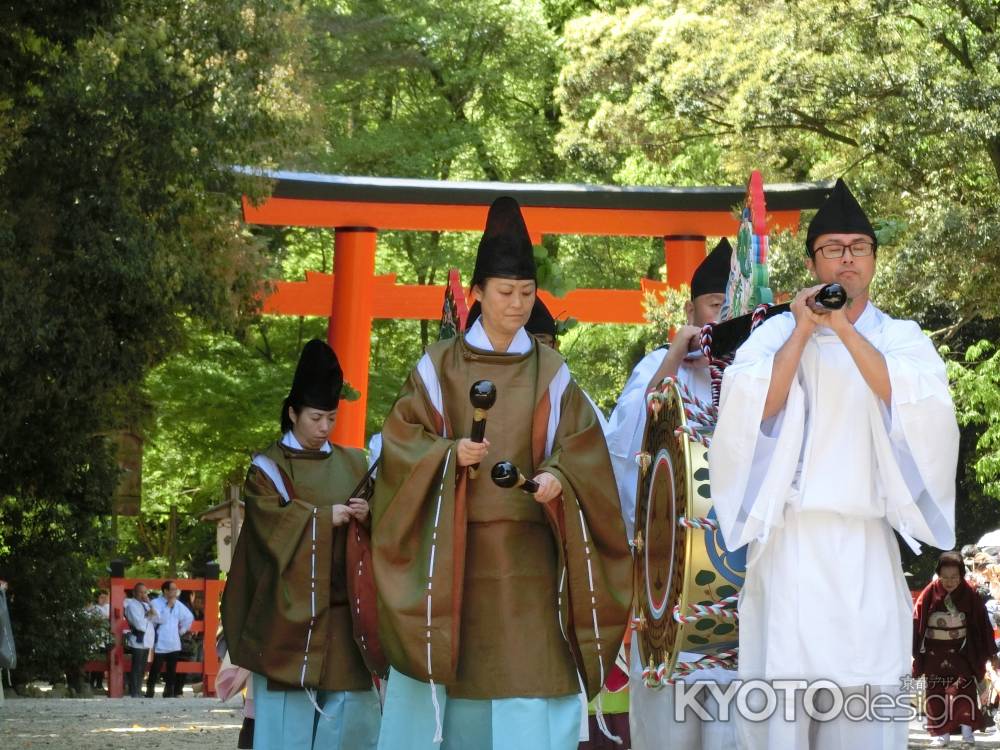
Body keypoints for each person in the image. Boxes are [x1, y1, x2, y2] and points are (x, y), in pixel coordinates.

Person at [372, 196, 632, 750]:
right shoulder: (437, 365)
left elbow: (585, 445)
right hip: (452, 557)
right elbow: (400, 445)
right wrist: (447, 455)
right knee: (449, 681)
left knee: (531, 685)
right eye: (505, 293)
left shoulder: (552, 370)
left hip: (530, 561)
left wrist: (562, 473)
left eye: (527, 293)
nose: (518, 305)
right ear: (476, 295)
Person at [709, 178, 959, 748]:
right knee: (783, 711)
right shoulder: (775, 331)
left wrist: (842, 328)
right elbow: (753, 411)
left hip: (864, 545)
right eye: (833, 249)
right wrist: (802, 329)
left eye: (858, 248)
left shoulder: (900, 336)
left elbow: (913, 401)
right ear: (813, 260)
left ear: (873, 259)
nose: (847, 259)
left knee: (865, 707)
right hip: (791, 545)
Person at [604, 238, 736, 750]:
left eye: (733, 310)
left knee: (731, 720)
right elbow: (627, 443)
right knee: (665, 722)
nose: (722, 319)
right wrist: (679, 349)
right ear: (691, 309)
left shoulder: (757, 373)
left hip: (735, 583)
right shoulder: (661, 364)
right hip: (667, 572)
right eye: (713, 307)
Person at [222, 338, 381, 750]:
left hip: (343, 618)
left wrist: (369, 515)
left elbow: (385, 527)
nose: (324, 427)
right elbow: (268, 532)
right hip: (287, 617)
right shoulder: (268, 468)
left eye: (331, 417)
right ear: (292, 412)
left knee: (352, 718)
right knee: (285, 728)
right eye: (315, 417)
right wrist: (323, 518)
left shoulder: (355, 462)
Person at [913, 551, 998, 746]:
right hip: (935, 651)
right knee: (936, 691)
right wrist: (916, 650)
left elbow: (982, 624)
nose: (949, 582)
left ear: (961, 575)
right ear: (938, 575)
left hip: (961, 651)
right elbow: (917, 620)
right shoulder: (929, 592)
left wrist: (991, 653)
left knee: (964, 691)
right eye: (945, 577)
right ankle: (941, 735)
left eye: (954, 577)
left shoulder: (971, 594)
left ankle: (968, 734)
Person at [146, 580, 194, 698]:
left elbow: (189, 617)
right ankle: (150, 690)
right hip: (160, 640)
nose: (174, 592)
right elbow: (159, 619)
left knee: (172, 669)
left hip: (174, 641)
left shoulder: (178, 604)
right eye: (172, 589)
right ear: (165, 591)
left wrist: (181, 631)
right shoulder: (155, 602)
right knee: (156, 667)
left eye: (175, 590)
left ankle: (169, 691)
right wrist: (168, 606)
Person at [124, 582, 156, 698]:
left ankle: (138, 689)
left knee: (142, 667)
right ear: (134, 593)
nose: (143, 595)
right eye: (140, 592)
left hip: (146, 639)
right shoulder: (131, 605)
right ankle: (134, 691)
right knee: (136, 666)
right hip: (137, 638)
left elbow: (156, 618)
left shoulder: (146, 605)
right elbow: (138, 624)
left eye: (144, 592)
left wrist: (149, 604)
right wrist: (148, 617)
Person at [86, 590, 111, 691]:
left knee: (102, 659)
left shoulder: (108, 607)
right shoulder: (94, 608)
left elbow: (107, 615)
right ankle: (90, 683)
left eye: (105, 597)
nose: (104, 599)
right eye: (101, 597)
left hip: (105, 636)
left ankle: (99, 683)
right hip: (93, 637)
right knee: (92, 659)